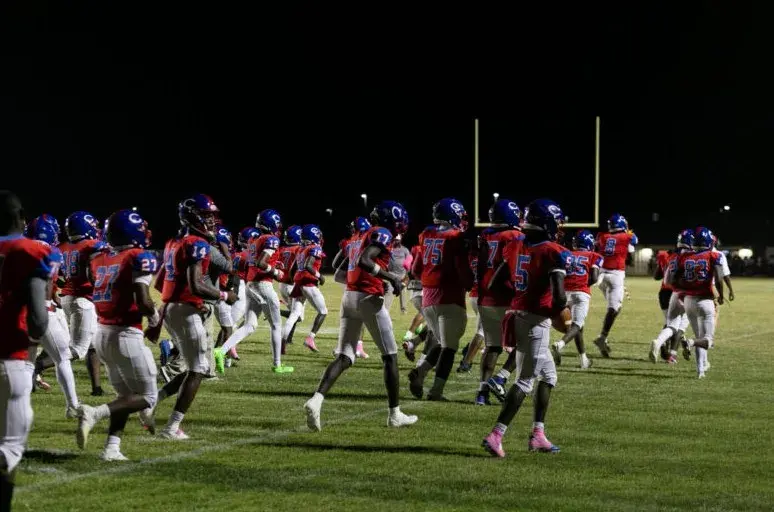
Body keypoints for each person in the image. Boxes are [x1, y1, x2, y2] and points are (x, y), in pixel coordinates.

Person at [304, 200, 417, 431]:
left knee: (345, 356)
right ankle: (394, 414)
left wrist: (373, 278)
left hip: (350, 297)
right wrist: (391, 277)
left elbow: (341, 272)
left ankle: (316, 400)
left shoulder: (358, 236)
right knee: (390, 356)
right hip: (368, 298)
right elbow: (366, 261)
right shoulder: (381, 232)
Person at [482, 199, 569, 457]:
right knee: (524, 381)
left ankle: (538, 435)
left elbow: (495, 283)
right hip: (536, 321)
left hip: (517, 315)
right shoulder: (553, 251)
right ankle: (496, 435)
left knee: (549, 377)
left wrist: (522, 294)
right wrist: (555, 313)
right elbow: (560, 298)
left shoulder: (515, 244)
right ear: (547, 223)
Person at [76, 209, 161, 460]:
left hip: (102, 333)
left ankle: (111, 448)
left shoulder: (100, 258)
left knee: (124, 397)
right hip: (125, 334)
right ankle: (94, 413)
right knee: (148, 396)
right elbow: (143, 300)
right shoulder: (137, 256)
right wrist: (155, 318)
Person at [154, 194, 237, 439]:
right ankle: (171, 427)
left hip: (173, 308)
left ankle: (150, 404)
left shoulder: (174, 242)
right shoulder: (197, 243)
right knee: (199, 369)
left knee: (193, 367)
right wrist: (224, 295)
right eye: (206, 215)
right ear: (192, 216)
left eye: (212, 216)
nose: (211, 220)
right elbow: (196, 284)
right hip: (186, 309)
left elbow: (160, 282)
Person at [0, 190, 60, 508]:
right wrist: (35, 333)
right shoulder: (31, 250)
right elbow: (38, 319)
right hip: (11, 358)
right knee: (10, 450)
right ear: (20, 217)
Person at [408, 198, 473, 400]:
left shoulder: (426, 234)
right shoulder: (455, 237)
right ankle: (436, 391)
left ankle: (421, 372)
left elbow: (415, 269)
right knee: (450, 347)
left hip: (428, 298)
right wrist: (469, 282)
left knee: (444, 343)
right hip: (449, 297)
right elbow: (462, 268)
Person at [58, 211, 105, 395]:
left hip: (67, 297)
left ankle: (97, 389)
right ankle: (35, 367)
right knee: (78, 349)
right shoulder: (91, 245)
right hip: (84, 299)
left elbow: (58, 277)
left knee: (93, 346)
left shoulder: (62, 247)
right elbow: (92, 274)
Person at [593, 214, 637, 357]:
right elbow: (632, 253)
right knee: (614, 308)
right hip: (615, 275)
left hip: (601, 275)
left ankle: (603, 339)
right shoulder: (627, 236)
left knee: (614, 308)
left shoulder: (602, 236)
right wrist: (628, 235)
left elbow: (598, 248)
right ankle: (602, 337)